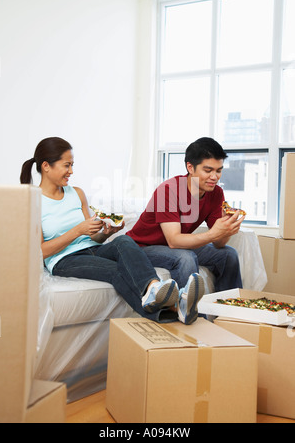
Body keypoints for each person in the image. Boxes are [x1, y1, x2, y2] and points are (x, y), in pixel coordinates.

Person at [20, 137, 204, 324]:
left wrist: (105, 232)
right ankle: (170, 310)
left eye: (72, 165)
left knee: (124, 240)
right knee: (118, 271)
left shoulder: (76, 193)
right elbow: (40, 252)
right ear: (46, 166)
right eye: (67, 165)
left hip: (94, 248)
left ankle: (154, 287)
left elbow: (93, 237)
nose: (71, 171)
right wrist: (77, 230)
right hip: (64, 259)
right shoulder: (32, 200)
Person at [126, 137, 245, 300]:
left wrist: (226, 227)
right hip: (142, 247)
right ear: (190, 167)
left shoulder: (215, 193)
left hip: (173, 245)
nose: (215, 177)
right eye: (208, 170)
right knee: (186, 257)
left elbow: (219, 243)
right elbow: (174, 241)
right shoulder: (167, 190)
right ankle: (193, 316)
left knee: (228, 254)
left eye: (218, 170)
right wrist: (213, 234)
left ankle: (228, 314)